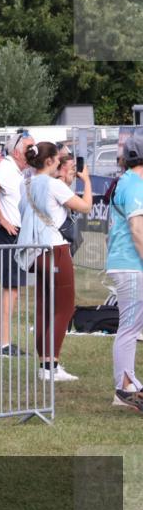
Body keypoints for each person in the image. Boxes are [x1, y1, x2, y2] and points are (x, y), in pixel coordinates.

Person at [15, 141, 92, 382]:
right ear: (50, 161)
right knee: (64, 308)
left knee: (44, 308)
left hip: (35, 251)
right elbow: (86, 207)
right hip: (55, 249)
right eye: (58, 158)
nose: (61, 161)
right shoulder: (53, 185)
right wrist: (87, 181)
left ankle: (44, 365)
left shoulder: (26, 183)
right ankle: (51, 367)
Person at [0, 132, 36, 357]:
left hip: (10, 234)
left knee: (9, 289)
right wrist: (3, 219)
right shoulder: (6, 166)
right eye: (29, 148)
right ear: (16, 151)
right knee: (11, 290)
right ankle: (3, 345)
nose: (33, 151)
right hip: (5, 234)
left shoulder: (18, 170)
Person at [105, 134, 143, 413]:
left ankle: (129, 383)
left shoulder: (127, 182)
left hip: (128, 263)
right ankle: (124, 387)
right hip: (132, 265)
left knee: (132, 327)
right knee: (129, 328)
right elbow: (137, 229)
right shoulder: (135, 185)